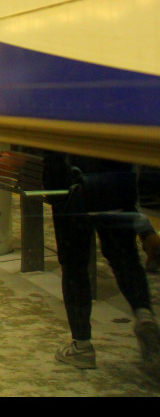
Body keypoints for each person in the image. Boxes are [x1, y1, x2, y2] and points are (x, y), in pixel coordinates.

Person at [41, 152, 160, 375]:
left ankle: (81, 345)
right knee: (123, 256)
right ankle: (143, 314)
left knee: (74, 264)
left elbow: (51, 154)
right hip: (114, 181)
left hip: (71, 185)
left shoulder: (64, 115)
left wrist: (54, 191)